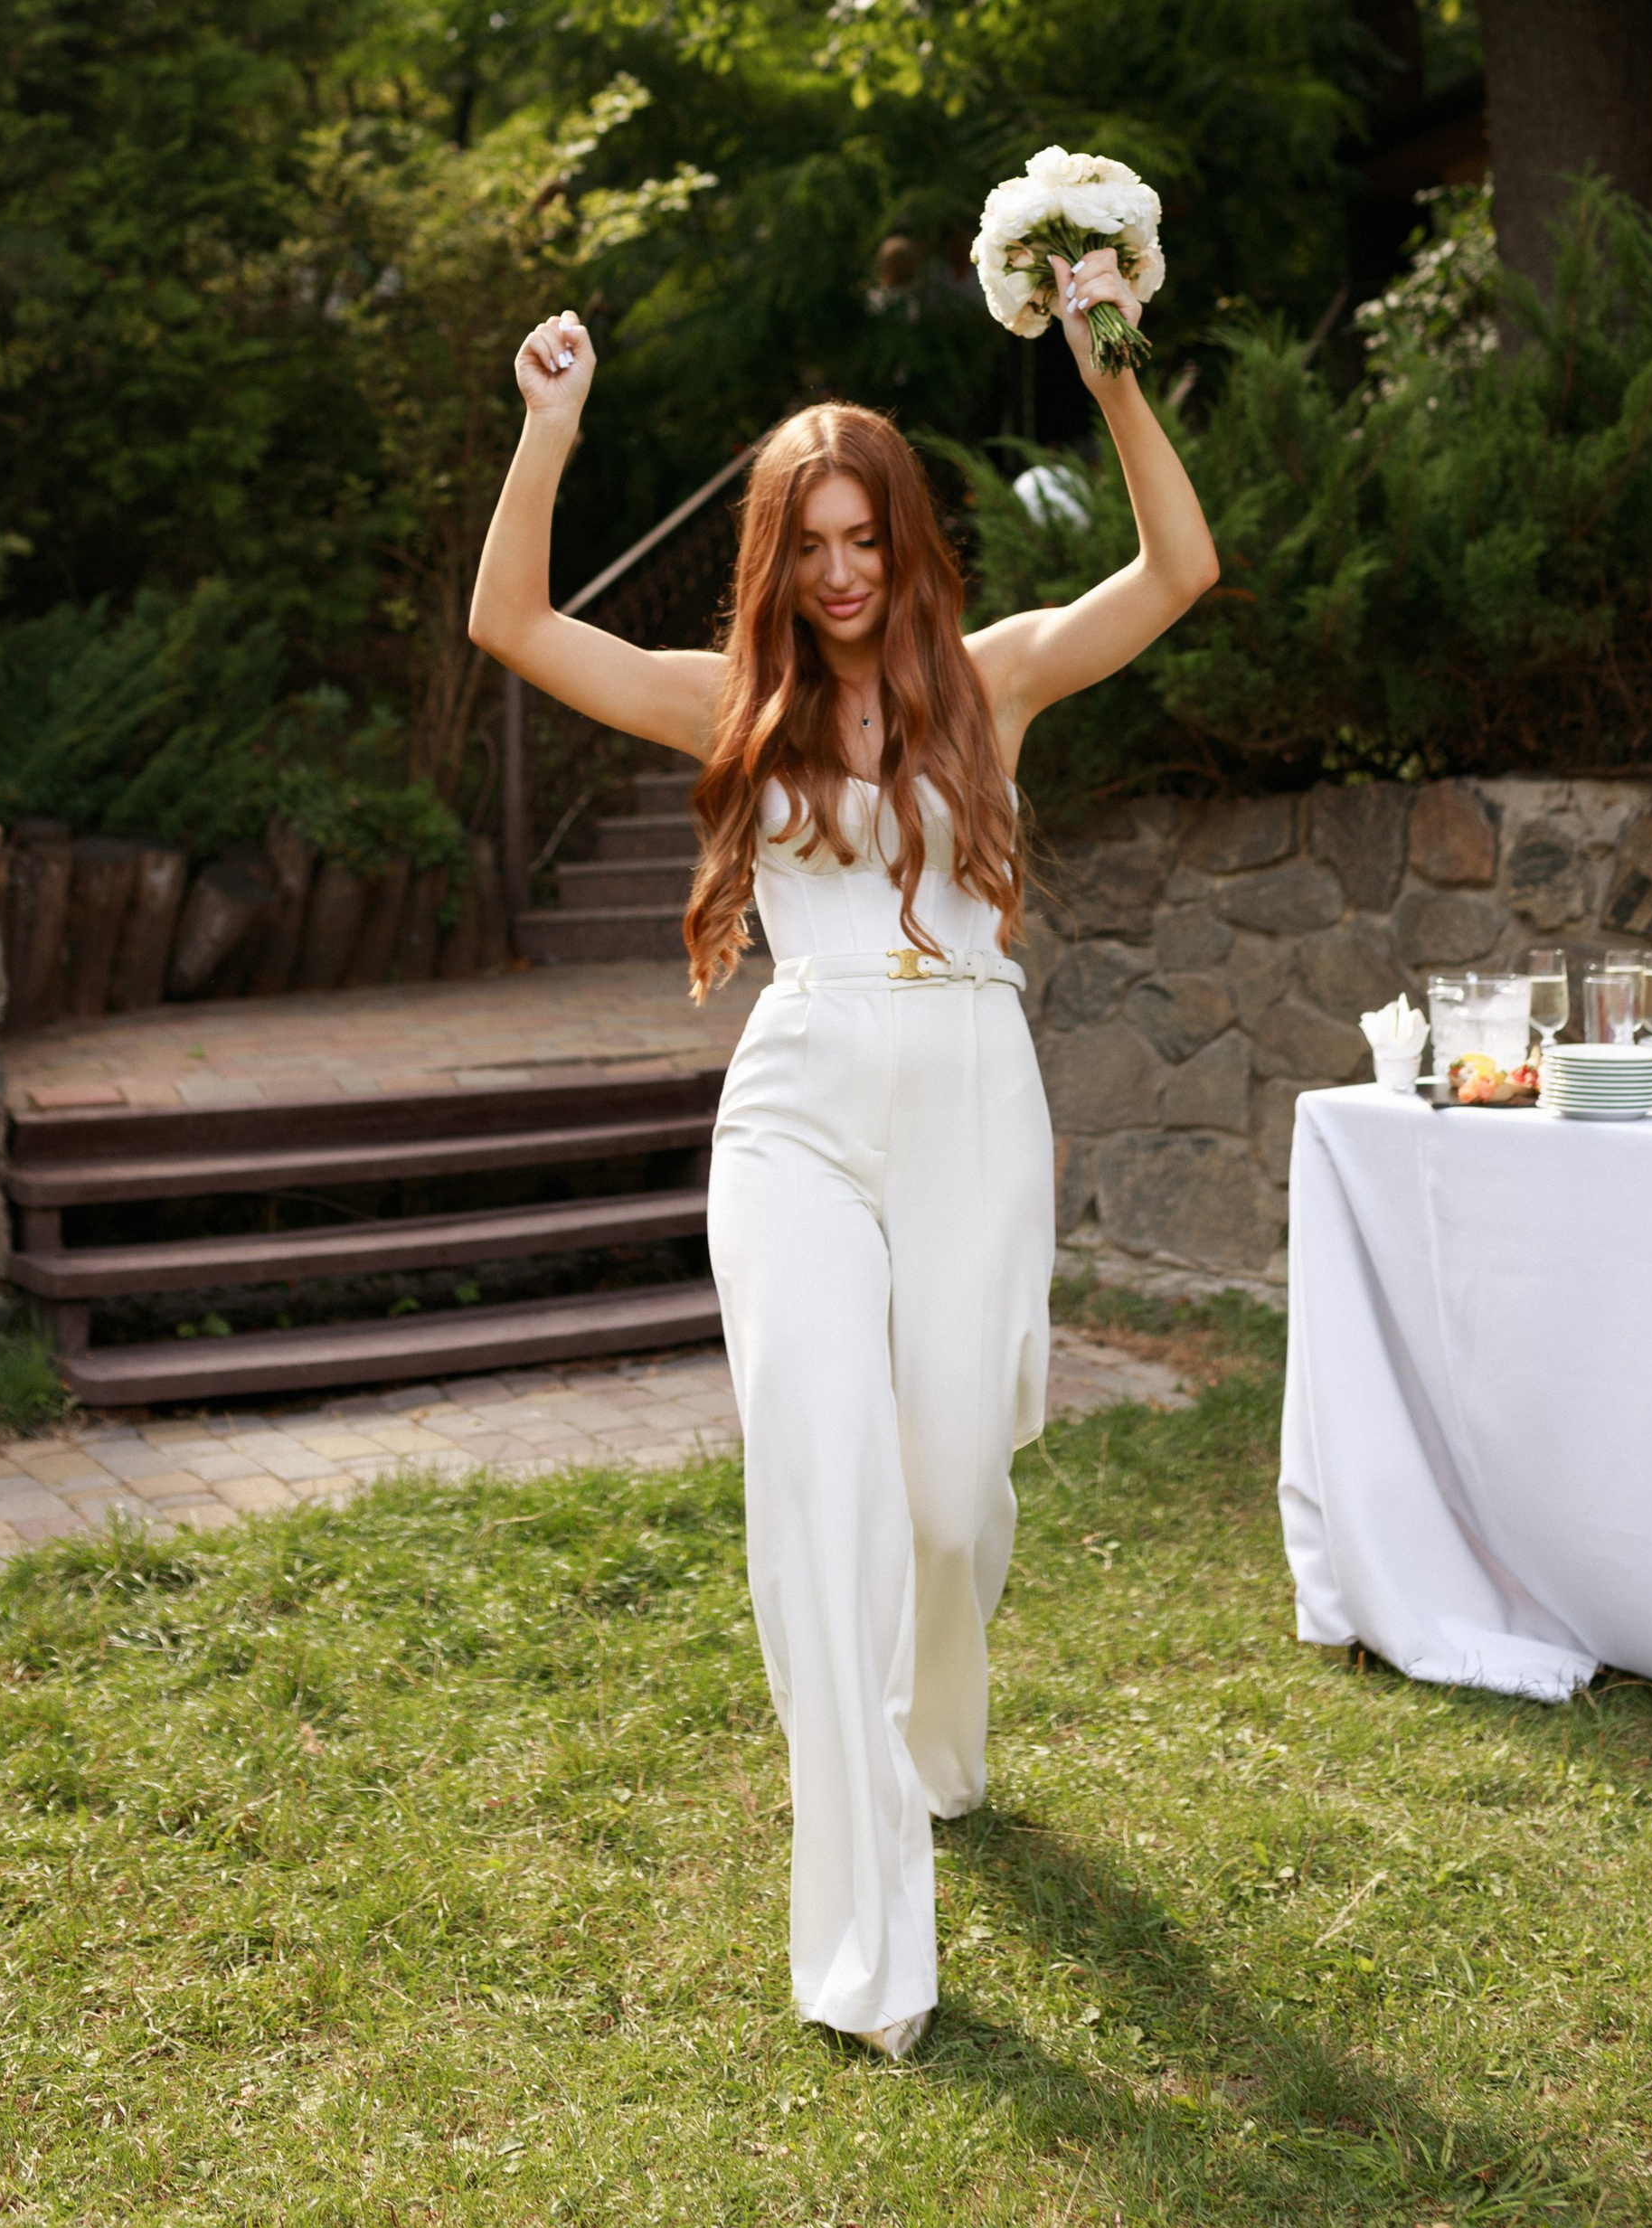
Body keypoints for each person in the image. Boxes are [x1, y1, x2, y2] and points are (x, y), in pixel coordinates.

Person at [467, 246, 1218, 2059]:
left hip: (971, 1098)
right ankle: (869, 1941)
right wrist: (547, 432)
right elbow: (511, 625)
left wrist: (1105, 359)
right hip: (796, 1107)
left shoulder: (992, 682)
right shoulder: (727, 707)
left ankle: (942, 1739)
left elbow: (1179, 572)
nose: (836, 568)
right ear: (772, 559)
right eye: (803, 541)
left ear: (903, 534)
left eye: (859, 532)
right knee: (830, 1501)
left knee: (952, 1502)